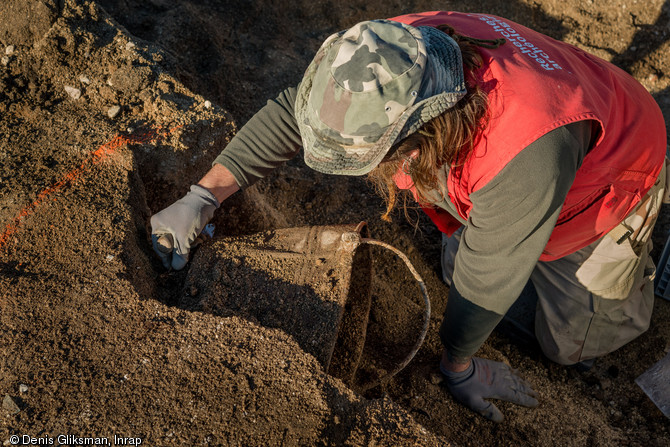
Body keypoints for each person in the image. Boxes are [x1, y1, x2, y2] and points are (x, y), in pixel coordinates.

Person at [150, 11, 668, 422]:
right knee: (458, 264)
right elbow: (295, 113)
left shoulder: (522, 156)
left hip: (609, 182)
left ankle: (637, 262)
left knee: (572, 345)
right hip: (537, 130)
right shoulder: (393, 50)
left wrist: (458, 367)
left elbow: (488, 281)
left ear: (421, 131)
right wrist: (202, 196)